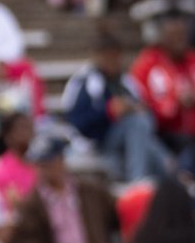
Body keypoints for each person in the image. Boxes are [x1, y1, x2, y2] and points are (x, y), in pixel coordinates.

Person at [64, 32, 172, 181]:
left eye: (115, 56)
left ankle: (174, 171)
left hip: (128, 142)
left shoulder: (127, 82)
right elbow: (77, 122)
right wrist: (108, 112)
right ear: (96, 56)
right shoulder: (84, 81)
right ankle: (138, 180)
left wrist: (136, 108)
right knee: (138, 125)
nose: (111, 61)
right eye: (107, 56)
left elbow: (147, 112)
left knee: (146, 133)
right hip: (96, 143)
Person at [8, 138, 118, 243]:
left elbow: (118, 213)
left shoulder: (90, 190)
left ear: (61, 160)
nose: (45, 169)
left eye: (49, 163)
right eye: (41, 164)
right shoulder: (32, 203)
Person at [130, 11, 195, 153]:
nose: (180, 41)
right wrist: (174, 104)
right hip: (163, 135)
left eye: (182, 36)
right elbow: (140, 103)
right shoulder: (147, 64)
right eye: (174, 36)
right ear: (162, 38)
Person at [0, 113, 38, 210]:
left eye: (30, 127)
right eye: (23, 128)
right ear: (8, 136)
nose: (29, 132)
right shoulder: (2, 170)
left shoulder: (38, 162)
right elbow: (15, 206)